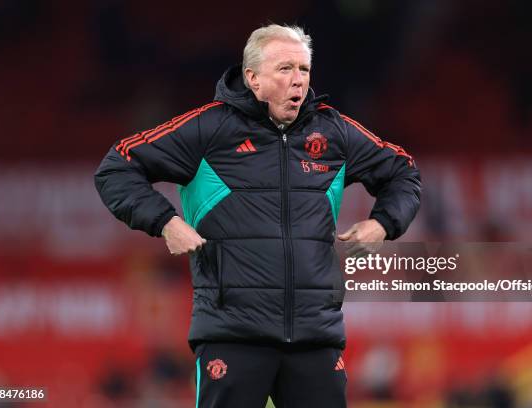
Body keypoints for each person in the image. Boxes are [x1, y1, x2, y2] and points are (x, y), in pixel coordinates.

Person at [95, 24, 421, 408]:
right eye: (285, 69)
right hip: (232, 335)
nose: (297, 81)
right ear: (252, 78)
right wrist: (166, 222)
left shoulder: (334, 132)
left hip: (315, 336)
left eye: (303, 70)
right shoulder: (208, 128)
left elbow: (404, 172)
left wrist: (383, 224)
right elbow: (117, 166)